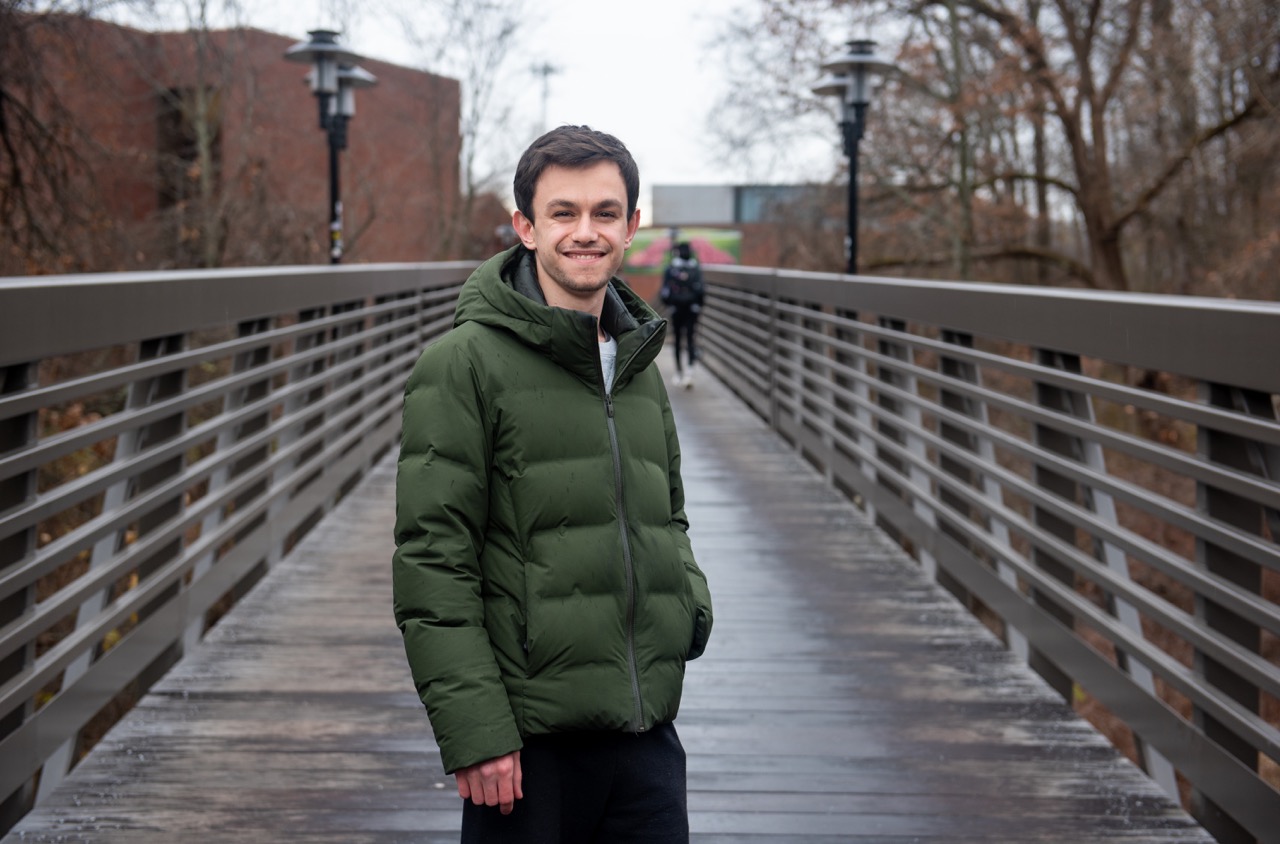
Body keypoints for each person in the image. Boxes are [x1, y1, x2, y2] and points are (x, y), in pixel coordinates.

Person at [392, 125, 714, 844]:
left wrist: (687, 605)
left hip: (647, 737)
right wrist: (476, 731)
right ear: (525, 227)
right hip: (527, 751)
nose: (585, 232)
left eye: (605, 213)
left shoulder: (638, 367)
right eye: (563, 212)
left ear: (633, 227)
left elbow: (672, 517)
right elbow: (431, 562)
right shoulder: (462, 365)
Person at [659, 241, 704, 388]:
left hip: (676, 309)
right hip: (691, 309)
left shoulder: (671, 268)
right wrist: (698, 305)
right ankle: (689, 372)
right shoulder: (695, 268)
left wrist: (670, 304)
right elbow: (702, 290)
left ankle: (679, 372)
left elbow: (664, 292)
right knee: (690, 338)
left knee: (678, 340)